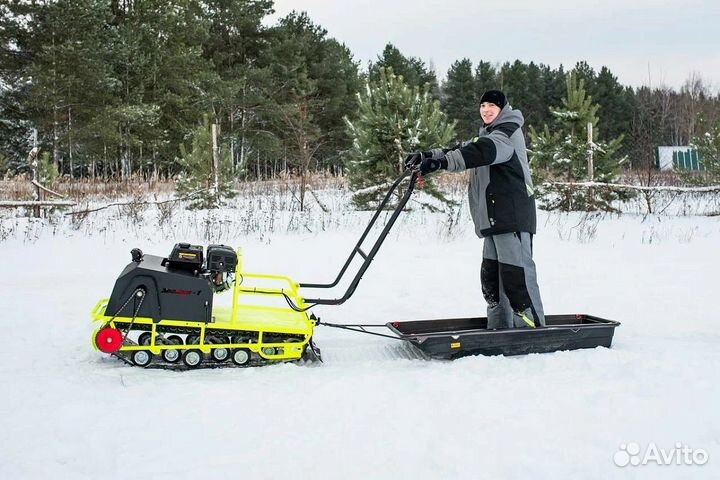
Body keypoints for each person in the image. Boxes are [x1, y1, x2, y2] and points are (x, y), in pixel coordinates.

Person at [409, 90, 545, 329]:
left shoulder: (507, 134)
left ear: (503, 109)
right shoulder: (488, 134)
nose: (486, 110)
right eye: (482, 105)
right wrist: (428, 156)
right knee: (492, 278)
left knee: (517, 277)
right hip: (493, 219)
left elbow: (480, 152)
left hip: (512, 216)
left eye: (492, 105)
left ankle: (532, 329)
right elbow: (461, 148)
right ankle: (500, 327)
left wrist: (442, 163)